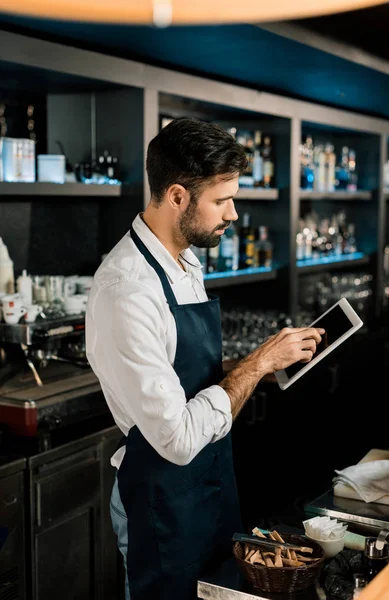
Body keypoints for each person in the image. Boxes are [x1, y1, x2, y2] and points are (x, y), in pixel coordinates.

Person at [85, 117, 324, 600]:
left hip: (207, 484)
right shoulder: (126, 291)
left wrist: (263, 360)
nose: (233, 213)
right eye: (222, 200)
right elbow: (175, 438)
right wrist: (254, 367)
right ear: (177, 196)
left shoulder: (183, 259)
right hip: (161, 502)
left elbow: (190, 376)